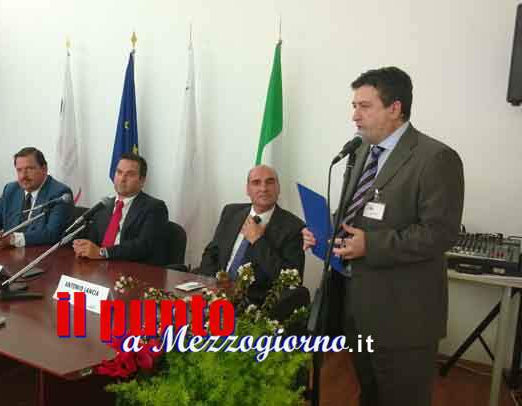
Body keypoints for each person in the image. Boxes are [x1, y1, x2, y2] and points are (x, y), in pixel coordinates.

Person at [302, 67, 464, 406]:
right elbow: (353, 213)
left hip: (404, 317)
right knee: (370, 395)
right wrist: (323, 231)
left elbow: (440, 233)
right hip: (358, 308)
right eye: (354, 106)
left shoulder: (436, 158)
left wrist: (371, 245)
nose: (354, 115)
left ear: (395, 108)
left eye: (364, 106)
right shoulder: (362, 151)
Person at [198, 165, 305, 307]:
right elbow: (212, 253)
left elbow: (291, 280)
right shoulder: (231, 212)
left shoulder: (294, 227)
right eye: (256, 183)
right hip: (215, 293)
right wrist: (211, 285)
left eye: (270, 182)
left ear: (278, 188)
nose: (263, 188)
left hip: (255, 304)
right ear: (247, 189)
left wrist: (258, 241)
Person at [0, 147, 72, 248]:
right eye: (19, 170)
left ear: (44, 169)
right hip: (10, 254)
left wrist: (13, 239)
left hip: (44, 254)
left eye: (29, 169)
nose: (23, 176)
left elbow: (52, 234)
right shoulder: (11, 189)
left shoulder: (60, 194)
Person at [72, 153, 169, 266]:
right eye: (119, 172)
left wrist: (103, 252)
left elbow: (143, 246)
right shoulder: (104, 205)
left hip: (132, 270)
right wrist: (83, 247)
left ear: (142, 180)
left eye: (130, 174)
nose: (122, 179)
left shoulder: (155, 208)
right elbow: (93, 240)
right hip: (99, 268)